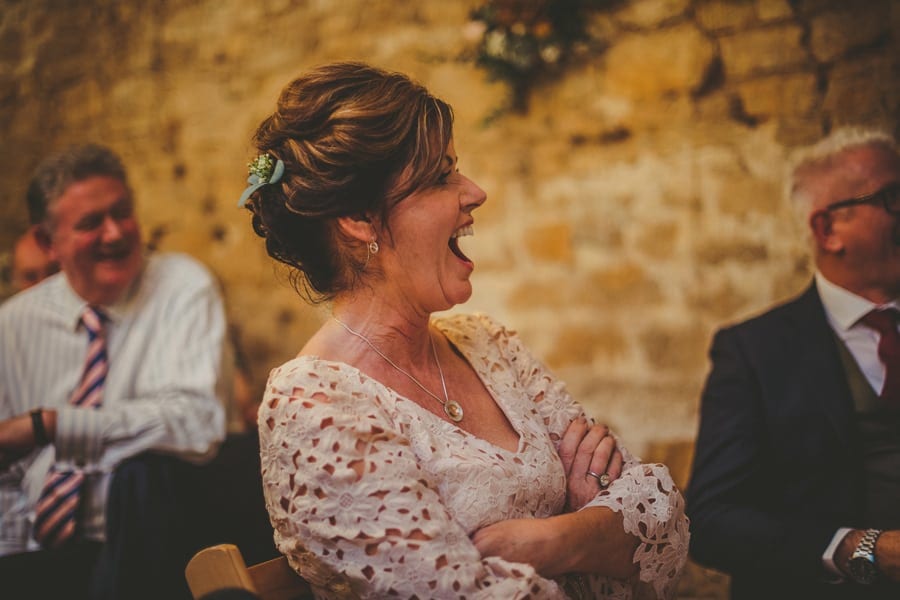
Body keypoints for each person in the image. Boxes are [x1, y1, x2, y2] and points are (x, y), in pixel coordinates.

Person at [240, 62, 688, 599]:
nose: (474, 192)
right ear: (360, 218)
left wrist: (547, 543)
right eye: (440, 175)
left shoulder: (487, 342)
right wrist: (592, 523)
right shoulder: (315, 406)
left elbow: (660, 516)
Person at [0, 144, 230, 598]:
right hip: (27, 547)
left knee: (144, 474)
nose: (114, 233)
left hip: (139, 547)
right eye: (90, 223)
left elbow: (197, 421)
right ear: (49, 243)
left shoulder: (181, 287)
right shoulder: (13, 324)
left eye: (122, 213)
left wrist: (52, 425)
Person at [687, 127, 900, 599]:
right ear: (828, 230)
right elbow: (712, 518)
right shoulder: (753, 351)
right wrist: (862, 549)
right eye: (892, 196)